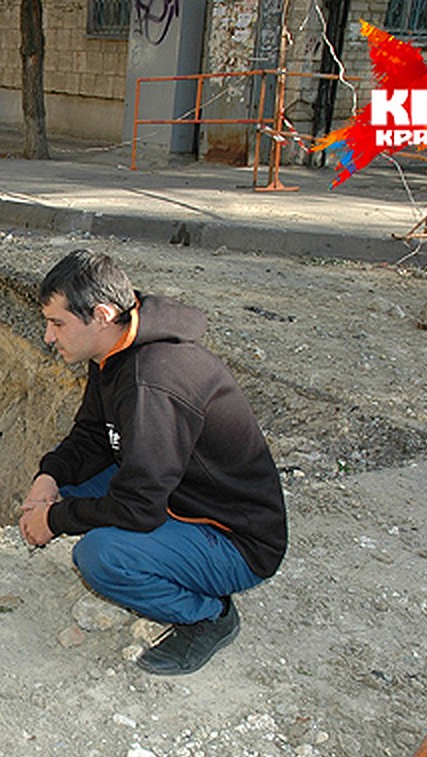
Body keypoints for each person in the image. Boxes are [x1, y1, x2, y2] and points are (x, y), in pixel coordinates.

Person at [19, 249, 287, 675]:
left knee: (102, 557)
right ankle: (156, 555)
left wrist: (56, 521)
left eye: (57, 323)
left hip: (234, 538)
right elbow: (94, 435)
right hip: (180, 493)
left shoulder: (152, 380)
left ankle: (207, 616)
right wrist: (50, 476)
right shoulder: (115, 349)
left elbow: (138, 506)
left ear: (102, 314)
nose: (49, 336)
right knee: (65, 493)